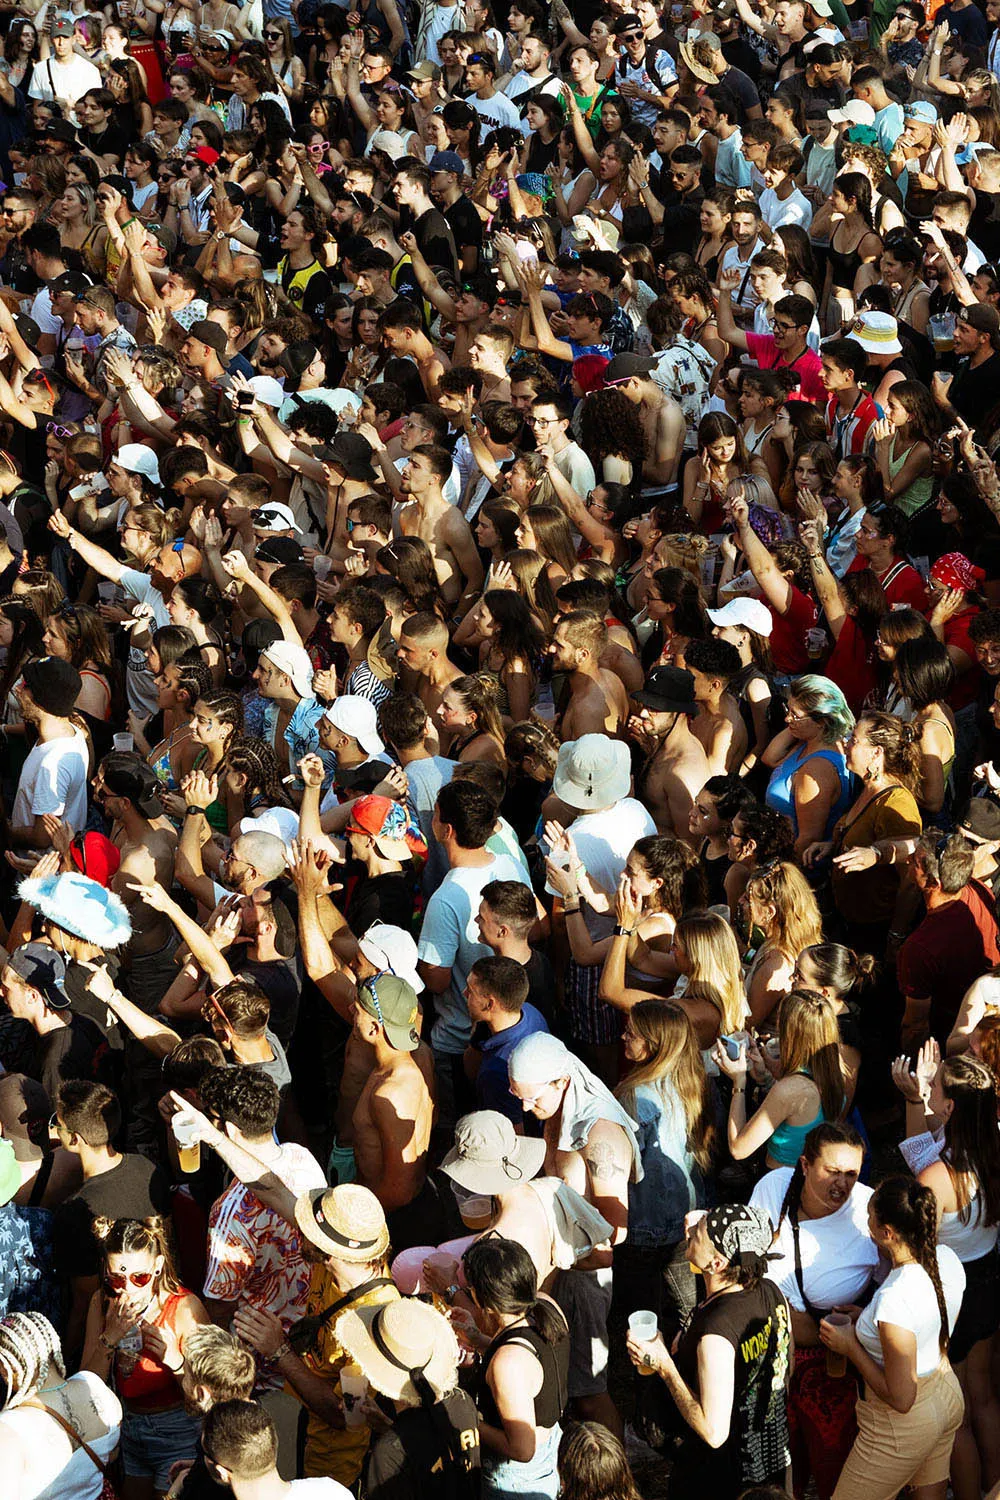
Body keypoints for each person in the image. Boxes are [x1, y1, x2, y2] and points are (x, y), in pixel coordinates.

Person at [626, 1202, 792, 1500]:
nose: (690, 1231)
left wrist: (665, 1365)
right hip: (768, 1459)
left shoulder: (716, 1332)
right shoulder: (770, 1291)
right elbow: (782, 1360)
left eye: (699, 1232)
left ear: (717, 1264)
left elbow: (714, 1434)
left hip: (718, 1478)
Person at [750, 1123, 878, 1500]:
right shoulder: (774, 1187)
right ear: (805, 1165)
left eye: (851, 1173)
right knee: (774, 1471)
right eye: (831, 1171)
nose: (842, 1184)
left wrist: (865, 1314)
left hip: (829, 1370)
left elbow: (893, 1283)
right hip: (767, 1355)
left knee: (831, 1469)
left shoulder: (867, 1215)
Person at [817, 1176, 966, 1500]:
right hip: (946, 1392)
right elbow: (921, 1325)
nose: (865, 1223)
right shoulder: (947, 1258)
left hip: (901, 1425)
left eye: (869, 1217)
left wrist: (851, 1346)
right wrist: (868, 1322)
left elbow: (901, 1398)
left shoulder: (894, 1298)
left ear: (887, 1234)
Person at [81, 1217, 210, 1497]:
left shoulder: (185, 1308)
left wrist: (175, 1360)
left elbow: (208, 1398)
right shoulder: (102, 1303)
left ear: (158, 1267)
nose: (127, 1288)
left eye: (140, 1277)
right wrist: (109, 1340)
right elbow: (84, 1386)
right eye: (116, 1278)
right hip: (129, 1428)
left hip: (177, 1431)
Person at [462, 1235, 569, 1500]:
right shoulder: (546, 1306)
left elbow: (522, 1450)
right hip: (551, 1447)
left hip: (515, 1479)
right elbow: (532, 1366)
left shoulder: (507, 1364)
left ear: (478, 1297)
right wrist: (478, 1339)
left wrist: (466, 1420)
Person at [0, 1312, 121, 1500]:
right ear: (53, 1346)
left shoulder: (10, 1427)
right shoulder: (94, 1386)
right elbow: (112, 1454)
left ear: (6, 1368)